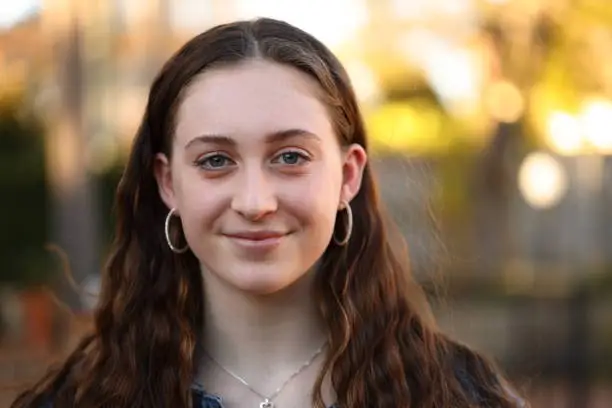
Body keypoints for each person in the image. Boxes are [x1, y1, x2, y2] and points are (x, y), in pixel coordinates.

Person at [12, 18, 526, 408]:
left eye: (290, 157)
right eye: (215, 161)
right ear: (168, 183)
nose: (255, 202)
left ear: (347, 176)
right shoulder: (82, 398)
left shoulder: (457, 395)